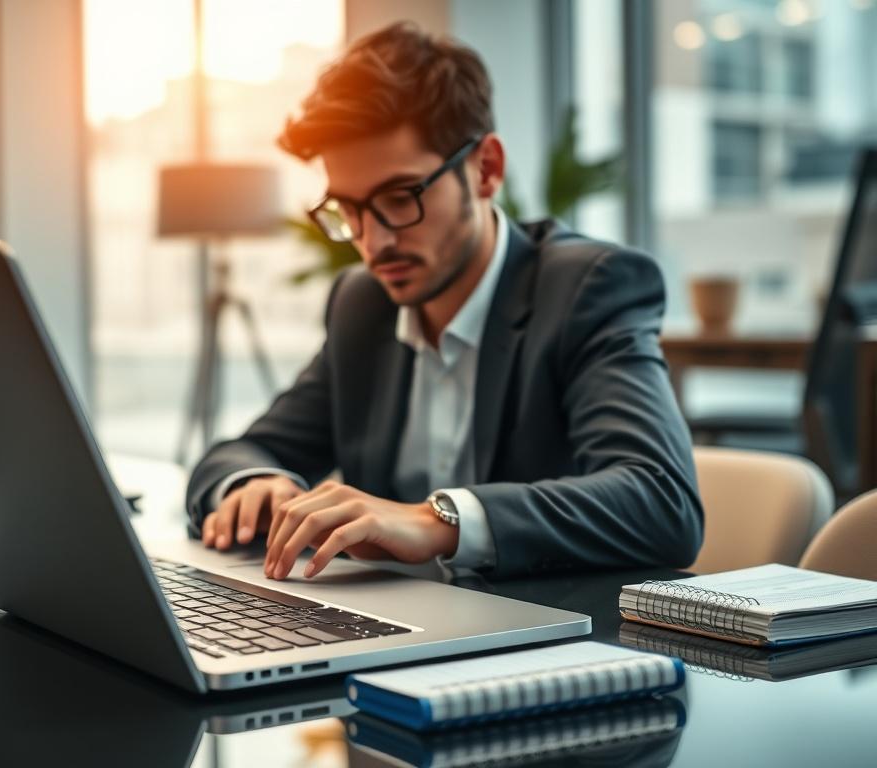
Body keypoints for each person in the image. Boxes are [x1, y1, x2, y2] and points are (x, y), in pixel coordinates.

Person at [186, 22, 702, 581]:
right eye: (350, 209)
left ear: (486, 170)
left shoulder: (586, 288)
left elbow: (661, 501)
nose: (374, 241)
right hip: (393, 638)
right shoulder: (364, 304)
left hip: (544, 640)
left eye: (400, 197)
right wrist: (254, 485)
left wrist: (439, 520)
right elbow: (245, 452)